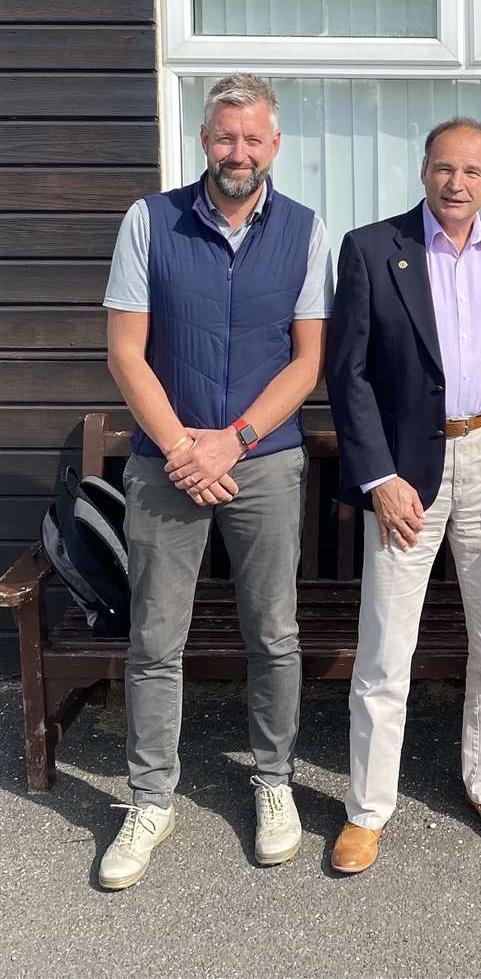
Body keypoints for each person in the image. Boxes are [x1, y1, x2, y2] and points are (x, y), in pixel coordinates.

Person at [100, 73, 333, 889]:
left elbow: (307, 360)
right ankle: (150, 798)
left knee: (273, 633)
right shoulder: (148, 221)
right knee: (156, 640)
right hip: (167, 462)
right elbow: (127, 351)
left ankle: (274, 783)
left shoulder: (305, 231)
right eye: (225, 136)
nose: (239, 152)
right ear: (205, 140)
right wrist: (181, 450)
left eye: (254, 139)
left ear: (275, 145)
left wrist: (229, 444)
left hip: (261, 461)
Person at [326, 117, 481, 873]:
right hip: (406, 474)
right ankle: (367, 809)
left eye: (472, 170)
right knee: (387, 648)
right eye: (443, 168)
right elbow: (348, 375)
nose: (456, 183)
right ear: (423, 171)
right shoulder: (370, 249)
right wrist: (379, 475)